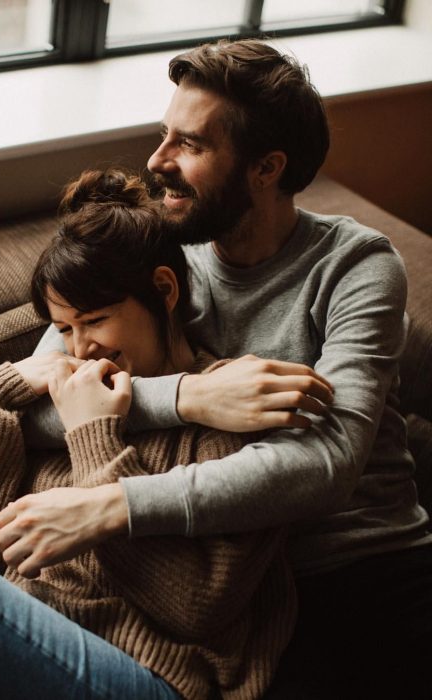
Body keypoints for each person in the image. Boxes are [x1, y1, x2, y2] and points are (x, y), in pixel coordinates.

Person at [22, 39, 432, 699]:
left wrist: (114, 504)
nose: (157, 161)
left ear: (266, 167)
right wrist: (190, 398)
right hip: (237, 587)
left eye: (190, 145)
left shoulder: (357, 267)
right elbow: (43, 395)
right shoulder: (152, 248)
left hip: (365, 564)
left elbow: (329, 464)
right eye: (165, 135)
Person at [0, 167, 327, 699]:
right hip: (21, 654)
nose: (81, 349)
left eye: (96, 320)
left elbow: (197, 607)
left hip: (151, 676)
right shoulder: (55, 405)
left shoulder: (231, 409)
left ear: (163, 289)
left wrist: (94, 437)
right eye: (64, 330)